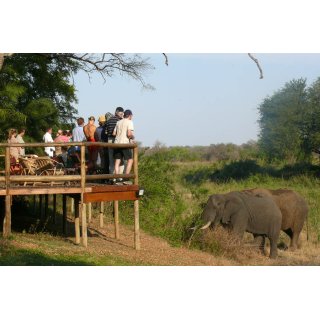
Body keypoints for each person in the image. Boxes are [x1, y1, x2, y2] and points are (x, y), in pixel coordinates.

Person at [113, 109, 135, 184]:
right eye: (132, 115)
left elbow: (114, 133)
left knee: (117, 161)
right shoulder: (129, 122)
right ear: (129, 115)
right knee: (130, 160)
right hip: (124, 143)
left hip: (116, 143)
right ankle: (126, 178)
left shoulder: (118, 122)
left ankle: (117, 179)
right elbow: (129, 134)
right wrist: (132, 137)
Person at [104, 107, 124, 174]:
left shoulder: (109, 120)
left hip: (109, 140)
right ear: (117, 113)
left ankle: (112, 177)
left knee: (111, 159)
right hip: (118, 140)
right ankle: (120, 176)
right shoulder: (121, 120)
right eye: (121, 113)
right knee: (120, 159)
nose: (122, 114)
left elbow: (106, 132)